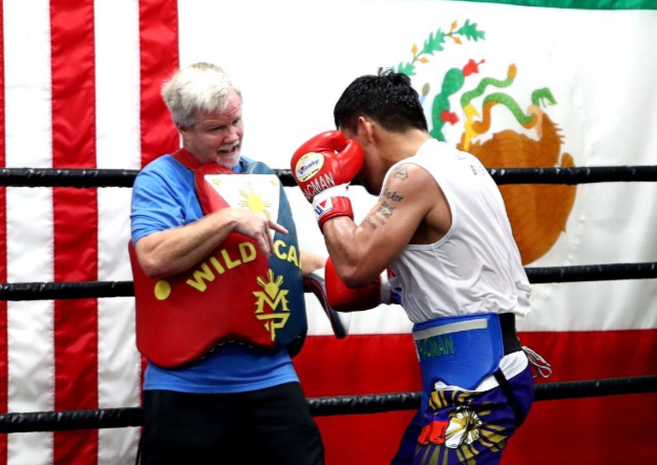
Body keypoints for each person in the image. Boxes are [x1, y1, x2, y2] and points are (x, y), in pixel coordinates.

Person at [290, 70, 551, 464]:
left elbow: (355, 265)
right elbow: (457, 270)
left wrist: (325, 192)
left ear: (365, 128)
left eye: (348, 146)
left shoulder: (412, 174)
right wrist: (376, 286)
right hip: (467, 381)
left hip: (477, 386)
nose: (353, 173)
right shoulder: (462, 164)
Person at [130, 62, 325, 464]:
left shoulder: (257, 177)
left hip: (269, 373)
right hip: (186, 381)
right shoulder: (160, 180)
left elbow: (279, 254)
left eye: (236, 121)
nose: (232, 135)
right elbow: (152, 256)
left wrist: (341, 271)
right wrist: (227, 218)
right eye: (216, 128)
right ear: (183, 129)